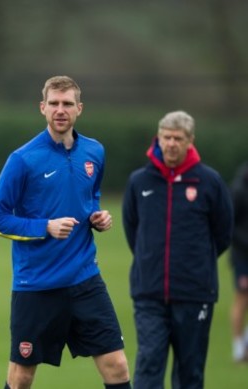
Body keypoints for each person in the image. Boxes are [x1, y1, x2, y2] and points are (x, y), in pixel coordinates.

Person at [0, 75, 131, 389]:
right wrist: (45, 227)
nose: (60, 110)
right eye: (54, 103)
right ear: (42, 108)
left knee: (117, 366)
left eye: (67, 104)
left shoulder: (95, 152)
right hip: (36, 285)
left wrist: (97, 216)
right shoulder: (23, 159)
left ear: (79, 108)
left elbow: (89, 196)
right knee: (22, 376)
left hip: (85, 279)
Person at [122, 110, 233, 388]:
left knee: (190, 372)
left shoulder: (210, 182)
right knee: (148, 366)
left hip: (195, 293)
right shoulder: (139, 181)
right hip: (149, 293)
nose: (171, 143)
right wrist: (152, 260)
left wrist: (195, 263)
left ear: (190, 141)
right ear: (158, 139)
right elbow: (132, 229)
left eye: (178, 138)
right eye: (166, 137)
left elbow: (223, 234)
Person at [229, 161, 248, 362]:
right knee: (242, 299)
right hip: (243, 257)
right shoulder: (239, 188)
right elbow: (230, 225)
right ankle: (237, 349)